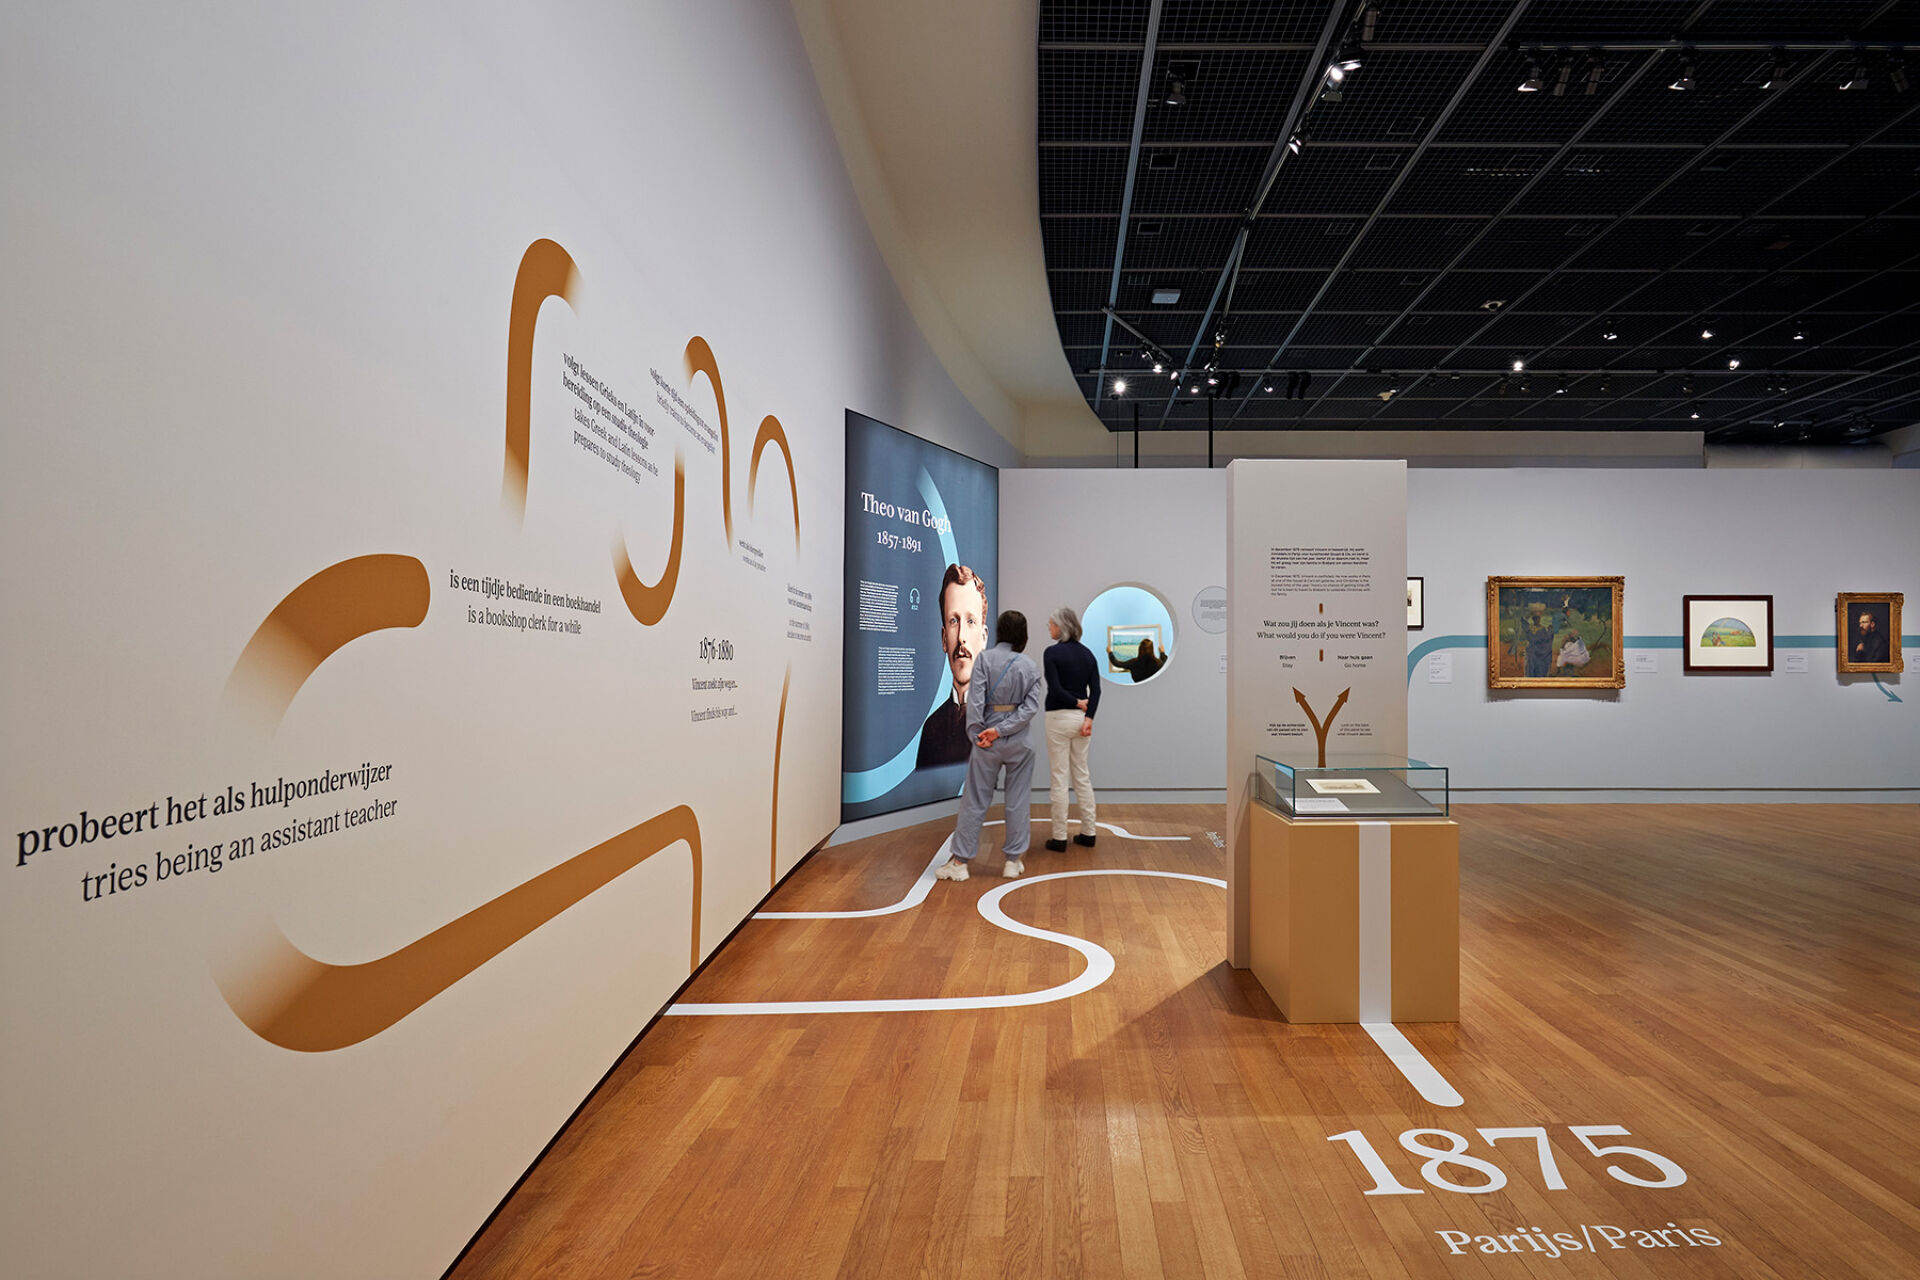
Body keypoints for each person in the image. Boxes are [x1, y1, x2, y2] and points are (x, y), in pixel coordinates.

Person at [936, 610, 1044, 882]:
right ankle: (1012, 862)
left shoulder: (984, 659)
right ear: (1023, 634)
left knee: (974, 800)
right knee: (1018, 801)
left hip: (986, 741)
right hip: (1020, 742)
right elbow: (1030, 709)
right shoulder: (1031, 666)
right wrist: (1003, 730)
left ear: (999, 630)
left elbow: (975, 701)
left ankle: (959, 863)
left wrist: (979, 734)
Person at [916, 563, 989, 767]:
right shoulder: (931, 728)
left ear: (983, 638)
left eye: (971, 621)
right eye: (954, 622)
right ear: (943, 639)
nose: (961, 637)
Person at [1041, 606, 1099, 853]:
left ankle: (1059, 837)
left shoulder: (1051, 653)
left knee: (1059, 777)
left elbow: (1054, 689)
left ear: (1061, 627)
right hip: (1081, 721)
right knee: (1082, 775)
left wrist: (1075, 702)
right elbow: (1096, 690)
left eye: (1051, 624)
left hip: (1058, 718)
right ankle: (1089, 832)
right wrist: (1089, 717)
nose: (1049, 627)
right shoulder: (1088, 655)